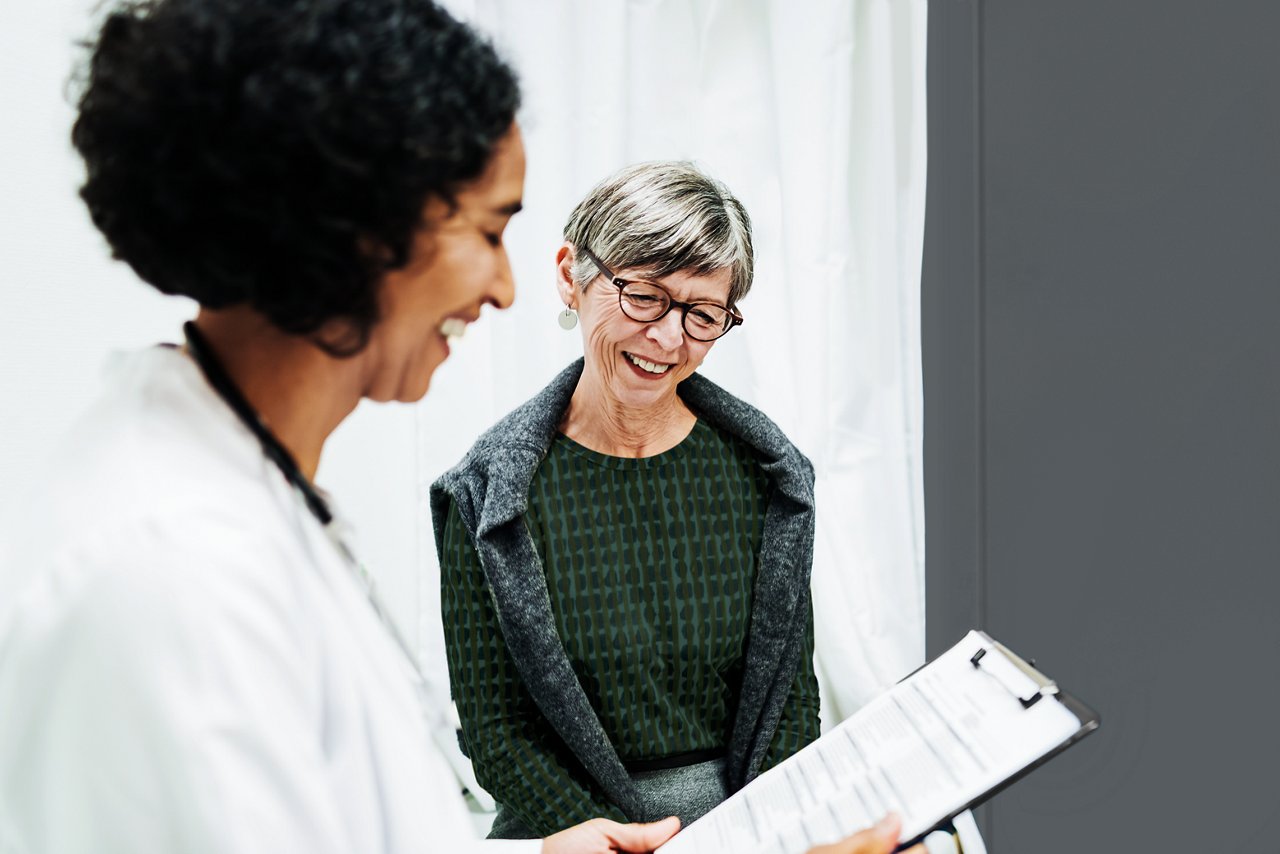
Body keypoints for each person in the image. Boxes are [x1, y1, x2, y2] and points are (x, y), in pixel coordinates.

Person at [0, 1, 922, 852]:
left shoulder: (241, 496)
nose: (505, 287)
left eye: (703, 312)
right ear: (360, 232)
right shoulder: (170, 565)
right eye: (487, 230)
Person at [433, 162, 822, 839]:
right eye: (645, 296)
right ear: (571, 276)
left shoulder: (769, 475)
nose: (669, 340)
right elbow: (497, 734)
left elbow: (790, 703)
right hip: (568, 836)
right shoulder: (482, 492)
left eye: (702, 315)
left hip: (742, 831)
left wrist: (764, 834)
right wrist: (602, 832)